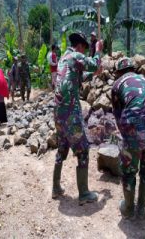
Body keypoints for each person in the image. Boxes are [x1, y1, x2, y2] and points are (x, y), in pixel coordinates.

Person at [52, 31, 103, 205]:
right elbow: (95, 64)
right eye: (84, 48)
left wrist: (92, 73)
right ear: (80, 46)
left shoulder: (64, 59)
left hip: (58, 112)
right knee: (82, 150)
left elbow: (77, 76)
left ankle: (56, 187)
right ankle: (84, 193)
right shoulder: (76, 56)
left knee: (62, 147)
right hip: (70, 114)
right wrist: (98, 50)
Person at [111, 57, 145, 219]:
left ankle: (128, 209)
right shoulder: (143, 79)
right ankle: (141, 209)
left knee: (129, 171)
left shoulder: (117, 84)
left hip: (133, 128)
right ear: (133, 69)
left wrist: (126, 139)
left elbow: (118, 116)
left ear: (118, 72)